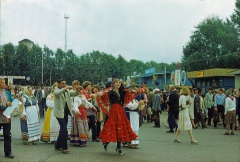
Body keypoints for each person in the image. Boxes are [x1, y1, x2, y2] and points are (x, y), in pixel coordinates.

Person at [97, 79, 137, 155]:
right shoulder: (111, 92)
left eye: (119, 82)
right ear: (114, 84)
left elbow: (131, 94)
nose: (118, 84)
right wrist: (101, 93)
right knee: (112, 127)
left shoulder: (122, 91)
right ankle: (106, 142)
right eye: (116, 82)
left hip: (120, 111)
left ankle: (118, 148)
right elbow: (103, 96)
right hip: (114, 111)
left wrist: (134, 91)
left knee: (120, 129)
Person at [54, 79, 80, 154]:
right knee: (64, 130)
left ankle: (57, 145)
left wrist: (78, 89)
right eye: (62, 83)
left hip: (65, 112)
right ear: (58, 84)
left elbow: (74, 94)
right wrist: (65, 88)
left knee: (62, 129)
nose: (64, 85)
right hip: (59, 112)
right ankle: (64, 147)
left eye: (65, 83)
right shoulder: (56, 89)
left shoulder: (66, 91)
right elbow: (57, 93)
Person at [70, 80, 95, 146]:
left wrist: (92, 107)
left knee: (84, 126)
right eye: (79, 90)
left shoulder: (82, 96)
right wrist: (76, 111)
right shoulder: (75, 97)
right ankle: (78, 141)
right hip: (78, 112)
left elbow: (87, 102)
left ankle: (83, 140)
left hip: (83, 112)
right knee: (79, 127)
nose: (81, 91)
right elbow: (74, 104)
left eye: (81, 90)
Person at [0, 77, 14, 159]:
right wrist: (5, 104)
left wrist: (17, 99)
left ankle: (8, 152)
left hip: (6, 115)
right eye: (2, 82)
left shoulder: (7, 92)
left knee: (7, 134)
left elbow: (11, 100)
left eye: (4, 82)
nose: (4, 84)